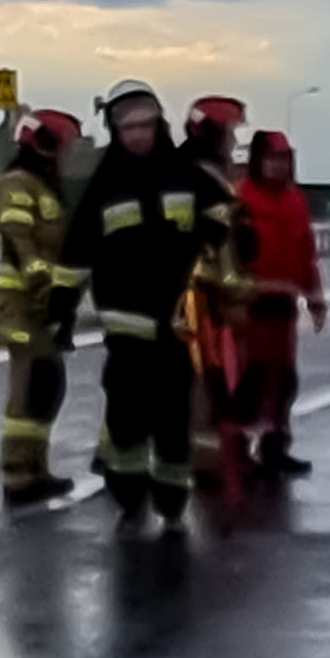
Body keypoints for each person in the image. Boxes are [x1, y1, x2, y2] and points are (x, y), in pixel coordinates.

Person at [69, 79, 232, 533]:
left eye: (145, 125)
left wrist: (227, 238)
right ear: (116, 132)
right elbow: (74, 256)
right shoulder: (104, 186)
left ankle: (173, 497)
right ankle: (127, 490)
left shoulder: (186, 174)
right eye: (128, 128)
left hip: (177, 327)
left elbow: (223, 214)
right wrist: (60, 315)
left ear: (158, 124)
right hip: (126, 330)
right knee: (125, 417)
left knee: (173, 417)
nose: (138, 135)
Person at [0, 106, 82, 503]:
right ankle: (17, 473)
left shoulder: (44, 187)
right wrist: (42, 281)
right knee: (30, 385)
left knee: (46, 385)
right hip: (22, 303)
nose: (67, 154)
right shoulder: (17, 184)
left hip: (42, 305)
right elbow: (17, 236)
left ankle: (35, 468)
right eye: (64, 146)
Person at [233, 127, 328, 475]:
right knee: (250, 379)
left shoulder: (295, 201)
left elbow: (306, 253)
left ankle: (275, 446)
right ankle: (238, 447)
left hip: (284, 305)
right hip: (248, 305)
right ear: (258, 161)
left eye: (283, 160)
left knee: (284, 378)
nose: (278, 166)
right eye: (272, 159)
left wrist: (315, 296)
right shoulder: (240, 198)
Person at [177, 94, 252, 482]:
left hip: (215, 293)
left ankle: (221, 448)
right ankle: (203, 459)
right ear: (211, 133)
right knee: (205, 376)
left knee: (220, 375)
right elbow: (215, 242)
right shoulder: (198, 176)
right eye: (229, 133)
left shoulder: (205, 172)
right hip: (203, 294)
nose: (234, 142)